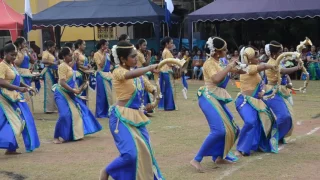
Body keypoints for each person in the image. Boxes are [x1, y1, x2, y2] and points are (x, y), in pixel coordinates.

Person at [100, 41, 163, 180]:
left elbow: (151, 88)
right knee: (130, 154)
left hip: (137, 117)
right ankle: (106, 171)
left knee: (146, 151)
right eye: (133, 56)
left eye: (136, 56)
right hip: (120, 118)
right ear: (122, 59)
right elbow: (130, 75)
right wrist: (151, 66)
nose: (136, 59)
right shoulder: (118, 72)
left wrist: (155, 92)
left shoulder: (138, 74)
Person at [190, 37, 242, 172]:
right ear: (217, 52)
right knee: (218, 130)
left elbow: (238, 71)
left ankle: (219, 156)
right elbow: (216, 78)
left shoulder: (220, 62)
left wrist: (242, 67)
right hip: (208, 97)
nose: (226, 51)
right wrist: (230, 66)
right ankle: (196, 159)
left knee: (235, 129)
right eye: (224, 49)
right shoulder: (208, 63)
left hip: (216, 97)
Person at [235, 46, 278, 157]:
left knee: (264, 121)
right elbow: (263, 66)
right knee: (250, 121)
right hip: (244, 101)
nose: (258, 58)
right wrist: (273, 65)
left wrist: (263, 91)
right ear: (249, 59)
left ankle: (257, 144)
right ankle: (240, 148)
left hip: (256, 101)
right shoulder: (247, 68)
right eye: (256, 56)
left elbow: (262, 83)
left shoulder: (255, 69)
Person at [53, 47, 102, 144]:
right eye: (69, 55)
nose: (71, 56)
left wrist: (76, 91)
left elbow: (71, 69)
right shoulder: (62, 66)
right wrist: (74, 90)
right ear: (64, 56)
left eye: (71, 55)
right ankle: (56, 136)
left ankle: (72, 134)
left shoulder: (67, 65)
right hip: (61, 93)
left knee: (78, 112)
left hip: (69, 93)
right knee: (64, 115)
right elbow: (62, 82)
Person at [0, 43, 40, 154]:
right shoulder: (2, 66)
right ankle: (10, 146)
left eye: (15, 55)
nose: (14, 57)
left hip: (15, 96)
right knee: (13, 121)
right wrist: (18, 88)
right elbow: (1, 81)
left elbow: (18, 79)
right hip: (5, 98)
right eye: (12, 55)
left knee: (24, 119)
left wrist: (27, 87)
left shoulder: (11, 65)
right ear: (5, 54)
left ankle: (11, 147)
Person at [264, 41, 302, 143]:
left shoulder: (278, 60)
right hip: (273, 91)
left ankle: (280, 136)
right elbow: (283, 71)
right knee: (284, 116)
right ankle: (271, 137)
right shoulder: (271, 63)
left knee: (288, 116)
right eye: (280, 51)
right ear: (273, 54)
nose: (282, 54)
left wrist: (289, 83)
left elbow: (285, 75)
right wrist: (297, 68)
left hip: (282, 90)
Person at [14, 37, 36, 107]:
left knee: (29, 90)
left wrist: (28, 53)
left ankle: (29, 108)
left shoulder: (25, 51)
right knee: (24, 91)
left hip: (27, 73)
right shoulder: (16, 52)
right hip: (20, 72)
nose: (25, 45)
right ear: (20, 44)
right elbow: (17, 63)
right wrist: (23, 54)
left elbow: (33, 61)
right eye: (24, 43)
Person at [94, 39, 113, 118]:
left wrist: (110, 70)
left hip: (108, 76)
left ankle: (108, 111)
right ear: (102, 46)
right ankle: (100, 113)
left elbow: (111, 64)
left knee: (108, 94)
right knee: (101, 95)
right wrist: (104, 55)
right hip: (101, 76)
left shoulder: (107, 54)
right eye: (106, 45)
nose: (107, 47)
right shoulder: (96, 54)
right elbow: (101, 65)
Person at [158, 37, 178, 111]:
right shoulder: (167, 52)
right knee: (170, 88)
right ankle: (169, 105)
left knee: (165, 88)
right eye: (171, 43)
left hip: (164, 71)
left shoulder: (165, 51)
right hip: (167, 71)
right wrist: (176, 64)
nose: (172, 44)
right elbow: (169, 63)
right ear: (167, 44)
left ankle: (166, 105)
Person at [135, 39, 153, 115]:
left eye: (146, 45)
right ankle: (144, 110)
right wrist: (149, 55)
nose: (145, 47)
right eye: (144, 45)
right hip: (140, 73)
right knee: (144, 92)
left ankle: (144, 109)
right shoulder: (139, 54)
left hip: (137, 72)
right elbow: (146, 64)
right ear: (139, 45)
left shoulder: (137, 52)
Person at [41, 40, 58, 113]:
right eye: (53, 47)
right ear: (49, 47)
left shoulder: (51, 53)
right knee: (49, 90)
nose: (54, 48)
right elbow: (43, 61)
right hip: (48, 71)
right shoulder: (45, 53)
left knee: (53, 89)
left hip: (53, 71)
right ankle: (48, 109)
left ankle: (53, 107)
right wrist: (53, 62)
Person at [74, 39, 91, 104]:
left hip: (84, 73)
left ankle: (84, 106)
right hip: (79, 74)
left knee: (84, 91)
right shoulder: (76, 53)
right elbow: (77, 65)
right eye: (83, 44)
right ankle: (80, 106)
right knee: (80, 90)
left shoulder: (81, 53)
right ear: (79, 45)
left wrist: (88, 65)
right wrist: (85, 67)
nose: (85, 46)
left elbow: (82, 63)